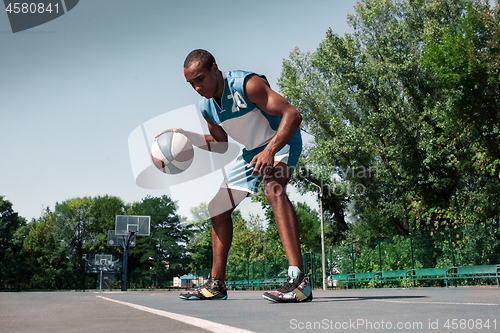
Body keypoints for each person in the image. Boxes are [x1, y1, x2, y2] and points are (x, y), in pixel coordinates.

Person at [159, 49, 312, 303]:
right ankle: (216, 284)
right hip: (253, 152)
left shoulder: (247, 85)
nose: (197, 87)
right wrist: (188, 136)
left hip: (281, 141)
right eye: (191, 83)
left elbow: (293, 115)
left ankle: (299, 282)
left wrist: (270, 150)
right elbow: (220, 143)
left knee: (273, 187)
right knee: (217, 208)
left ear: (215, 69)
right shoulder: (207, 106)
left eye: (200, 79)